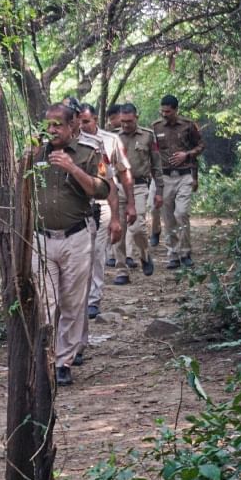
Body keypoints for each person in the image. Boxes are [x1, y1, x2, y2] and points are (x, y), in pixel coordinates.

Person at [25, 102, 112, 387]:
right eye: (47, 126)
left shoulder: (88, 153)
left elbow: (101, 189)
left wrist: (72, 168)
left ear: (72, 125)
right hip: (42, 237)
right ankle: (47, 358)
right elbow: (18, 183)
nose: (51, 131)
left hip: (76, 237)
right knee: (47, 302)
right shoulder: (36, 153)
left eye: (57, 126)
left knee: (73, 302)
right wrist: (28, 156)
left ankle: (64, 363)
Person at [76, 104, 135, 323]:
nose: (82, 126)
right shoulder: (69, 144)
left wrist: (129, 206)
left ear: (95, 120)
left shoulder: (109, 141)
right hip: (77, 207)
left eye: (86, 121)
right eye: (79, 121)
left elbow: (120, 173)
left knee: (97, 251)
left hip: (102, 203)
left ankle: (93, 298)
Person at [112, 103, 164, 283]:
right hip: (118, 187)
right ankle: (121, 271)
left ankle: (144, 254)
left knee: (138, 228)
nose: (126, 124)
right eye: (123, 121)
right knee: (118, 230)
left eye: (129, 121)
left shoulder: (148, 136)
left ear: (136, 117)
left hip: (140, 186)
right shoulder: (113, 138)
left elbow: (157, 165)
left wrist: (159, 191)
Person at [152, 94, 204, 268]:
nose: (164, 114)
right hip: (165, 177)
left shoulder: (188, 126)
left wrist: (187, 154)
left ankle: (185, 251)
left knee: (181, 213)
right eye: (162, 111)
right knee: (168, 218)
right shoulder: (156, 127)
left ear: (175, 110)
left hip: (184, 175)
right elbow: (152, 153)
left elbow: (201, 146)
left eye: (167, 111)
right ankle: (173, 254)